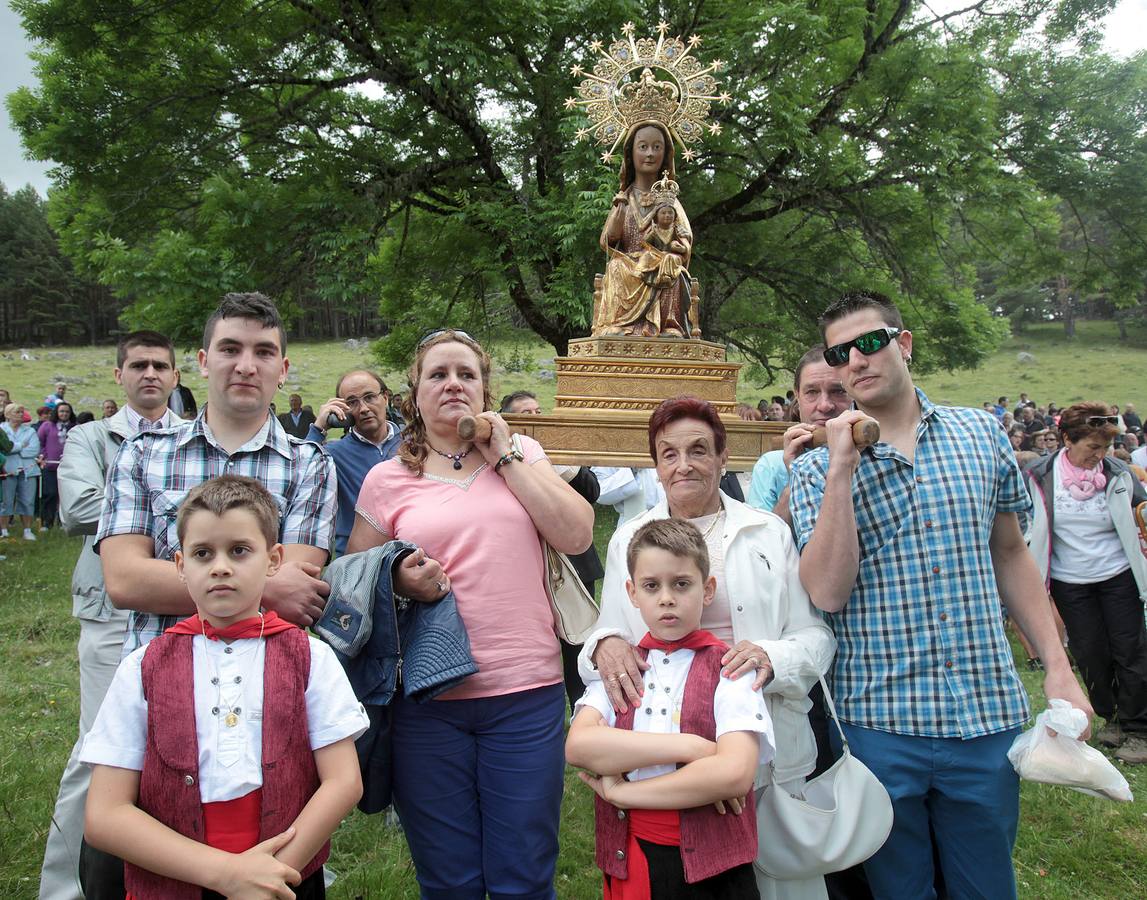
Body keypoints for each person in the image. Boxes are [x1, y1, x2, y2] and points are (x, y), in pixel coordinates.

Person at [789, 290, 1092, 900]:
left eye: (869, 343)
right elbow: (827, 590)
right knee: (900, 891)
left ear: (902, 344)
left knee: (986, 887)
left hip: (982, 713)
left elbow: (1011, 553)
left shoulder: (981, 435)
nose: (855, 360)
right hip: (880, 720)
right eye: (839, 352)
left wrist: (1057, 667)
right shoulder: (814, 471)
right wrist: (841, 467)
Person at [347, 329, 594, 898]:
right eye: (438, 374)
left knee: (525, 875)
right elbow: (354, 581)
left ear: (485, 388)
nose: (453, 383)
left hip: (524, 693)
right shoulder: (387, 479)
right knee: (449, 879)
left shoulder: (523, 455)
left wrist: (504, 453)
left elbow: (578, 533)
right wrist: (397, 575)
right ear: (414, 394)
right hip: (427, 699)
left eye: (467, 374)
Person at [580, 395, 835, 900]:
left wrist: (768, 657)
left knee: (780, 884)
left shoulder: (767, 532)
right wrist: (606, 642)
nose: (684, 465)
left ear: (723, 457)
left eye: (699, 450)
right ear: (654, 465)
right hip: (667, 758)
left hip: (762, 747)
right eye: (668, 454)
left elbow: (816, 638)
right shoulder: (628, 537)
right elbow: (611, 633)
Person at [81, 475, 367, 898]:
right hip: (173, 880)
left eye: (238, 550)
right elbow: (104, 815)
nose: (220, 566)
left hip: (283, 881)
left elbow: (344, 782)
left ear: (273, 560)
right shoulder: (142, 668)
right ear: (181, 566)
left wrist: (270, 877)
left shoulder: (311, 659)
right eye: (202, 553)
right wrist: (226, 875)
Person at [97, 291, 336, 655]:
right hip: (158, 675)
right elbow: (124, 580)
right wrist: (264, 586)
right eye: (230, 349)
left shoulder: (310, 464)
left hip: (265, 677)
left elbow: (296, 592)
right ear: (204, 361)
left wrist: (169, 579)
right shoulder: (142, 453)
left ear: (283, 370)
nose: (246, 366)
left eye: (263, 352)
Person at [38, 331, 182, 900]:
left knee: (188, 738)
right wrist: (166, 504)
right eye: (138, 365)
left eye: (160, 366)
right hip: (111, 610)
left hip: (178, 603)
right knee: (99, 746)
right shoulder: (91, 437)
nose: (150, 374)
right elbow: (76, 509)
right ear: (119, 375)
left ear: (176, 376)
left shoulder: (195, 439)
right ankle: (64, 888)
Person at [568, 518, 773, 900]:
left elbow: (733, 774)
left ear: (707, 589)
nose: (666, 598)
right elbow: (579, 747)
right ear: (631, 592)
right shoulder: (622, 670)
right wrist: (693, 748)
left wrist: (623, 794)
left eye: (681, 584)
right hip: (634, 855)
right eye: (651, 586)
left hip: (715, 871)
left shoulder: (730, 669)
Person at [1024, 403, 1147, 764]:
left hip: (1118, 576)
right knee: (1091, 654)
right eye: (1092, 447)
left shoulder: (1119, 474)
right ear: (1067, 439)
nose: (1099, 455)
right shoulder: (1040, 475)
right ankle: (1113, 718)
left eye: (1105, 448)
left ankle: (1139, 729)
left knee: (1131, 652)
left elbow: (1142, 510)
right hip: (1070, 582)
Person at [500, 388, 606, 712]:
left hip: (573, 565)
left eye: (537, 412)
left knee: (577, 647)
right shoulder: (498, 461)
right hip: (525, 571)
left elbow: (593, 490)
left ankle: (584, 713)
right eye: (525, 415)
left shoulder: (556, 451)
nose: (535, 418)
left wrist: (558, 466)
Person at [594, 121, 694, 338]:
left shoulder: (671, 202)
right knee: (616, 267)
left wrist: (677, 249)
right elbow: (608, 243)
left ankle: (669, 325)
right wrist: (619, 213)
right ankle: (620, 325)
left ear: (666, 154)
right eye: (643, 147)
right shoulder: (625, 198)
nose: (650, 154)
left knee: (672, 269)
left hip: (661, 263)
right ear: (631, 153)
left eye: (657, 147)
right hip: (630, 264)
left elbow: (686, 240)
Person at [746, 346, 850, 519]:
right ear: (797, 396)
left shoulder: (878, 455)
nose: (824, 405)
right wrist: (796, 476)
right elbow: (763, 543)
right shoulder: (771, 466)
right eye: (812, 392)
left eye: (838, 391)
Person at [306, 370, 403, 556]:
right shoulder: (333, 454)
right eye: (352, 402)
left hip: (411, 558)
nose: (364, 408)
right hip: (357, 563)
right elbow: (300, 472)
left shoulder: (415, 446)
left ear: (385, 397)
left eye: (370, 397)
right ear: (343, 411)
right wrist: (319, 427)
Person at [1, 403, 43, 541]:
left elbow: (34, 450)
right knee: (5, 501)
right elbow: (4, 449)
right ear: (8, 415)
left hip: (28, 470)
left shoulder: (30, 431)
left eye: (21, 412)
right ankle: (4, 530)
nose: (21, 414)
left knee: (27, 500)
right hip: (7, 470)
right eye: (17, 412)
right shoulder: (2, 429)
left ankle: (27, 530)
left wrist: (14, 449)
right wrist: (19, 446)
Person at [37, 401, 74, 530]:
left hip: (70, 468)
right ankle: (47, 522)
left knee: (66, 497)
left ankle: (63, 523)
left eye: (67, 411)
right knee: (50, 494)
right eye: (62, 411)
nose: (64, 414)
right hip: (50, 466)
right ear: (57, 412)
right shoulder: (47, 426)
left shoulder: (75, 427)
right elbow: (40, 443)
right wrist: (43, 456)